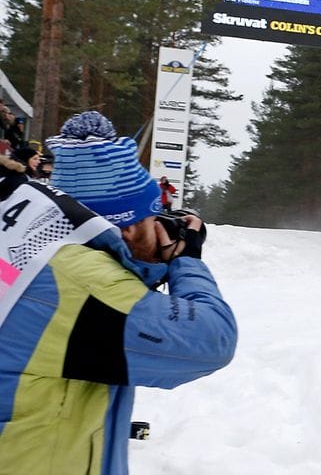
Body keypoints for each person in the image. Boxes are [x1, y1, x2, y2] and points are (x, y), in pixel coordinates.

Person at [0, 111, 236, 474]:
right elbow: (211, 340)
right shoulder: (81, 284)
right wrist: (185, 258)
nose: (159, 226)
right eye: (151, 219)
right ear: (124, 230)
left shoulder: (26, 248)